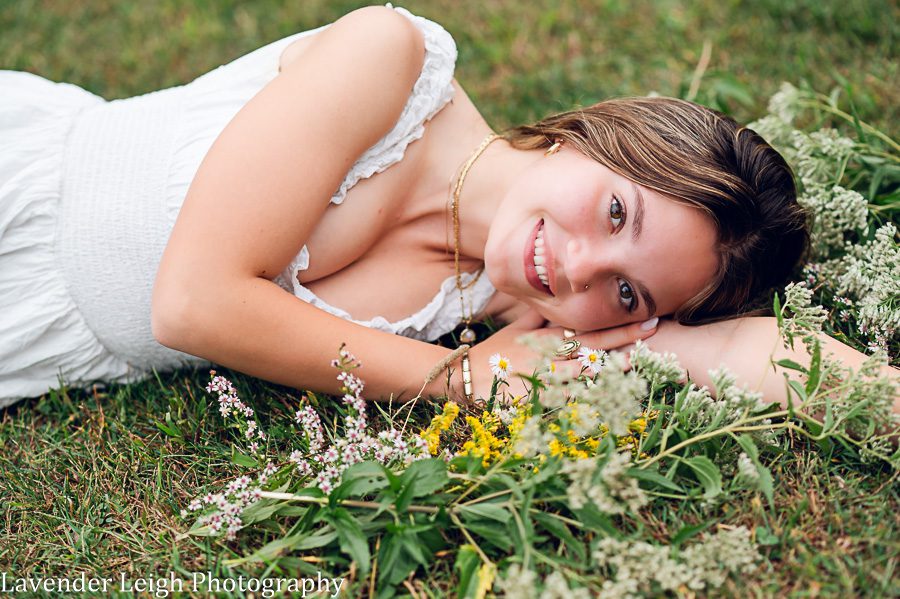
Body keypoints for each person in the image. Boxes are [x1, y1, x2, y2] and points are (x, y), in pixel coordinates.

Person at [0, 5, 894, 412]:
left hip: (35, 341)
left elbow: (750, 351)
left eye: (627, 295)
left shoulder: (524, 307)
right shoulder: (389, 66)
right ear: (597, 135)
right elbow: (190, 302)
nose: (581, 267)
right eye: (618, 213)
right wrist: (452, 381)